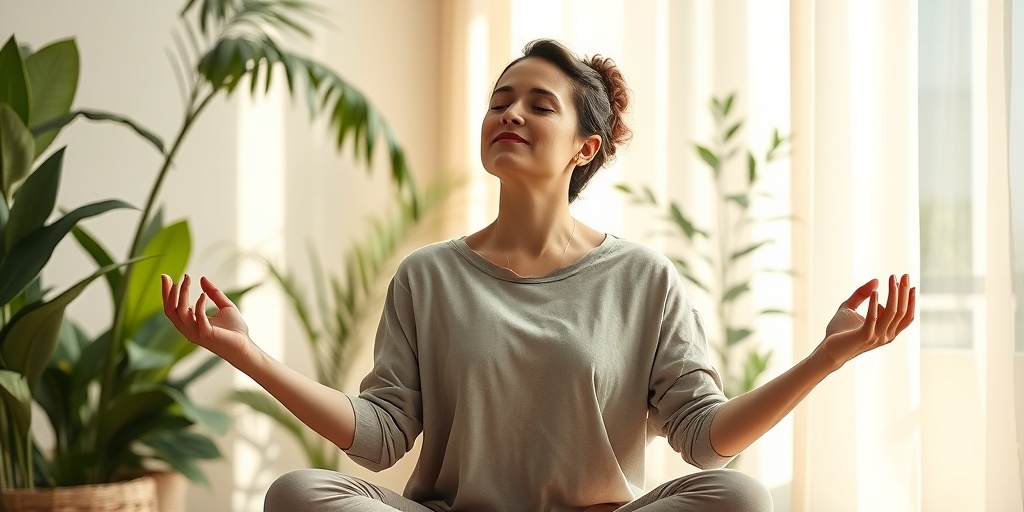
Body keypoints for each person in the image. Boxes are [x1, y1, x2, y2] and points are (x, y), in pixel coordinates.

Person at [160, 39, 916, 512]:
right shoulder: (427, 277)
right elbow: (380, 439)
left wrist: (829, 356)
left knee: (742, 498)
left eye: (537, 104)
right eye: (499, 100)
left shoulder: (644, 278)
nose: (509, 113)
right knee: (299, 494)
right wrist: (246, 355)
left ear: (586, 148)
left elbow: (705, 442)